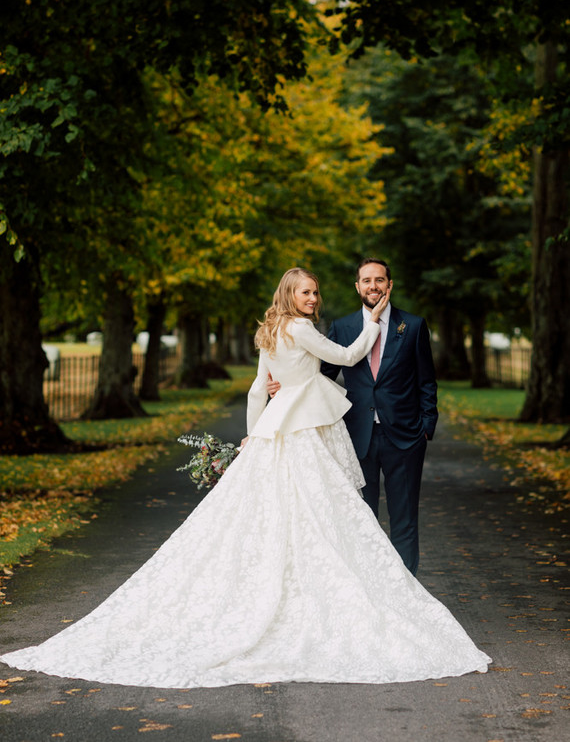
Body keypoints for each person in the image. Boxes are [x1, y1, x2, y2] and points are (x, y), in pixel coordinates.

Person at [0, 268, 490, 688]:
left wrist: (254, 437)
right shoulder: (297, 329)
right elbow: (345, 358)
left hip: (281, 429)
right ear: (288, 296)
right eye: (306, 292)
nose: (313, 298)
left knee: (293, 518)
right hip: (299, 433)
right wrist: (375, 321)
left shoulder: (271, 331)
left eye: (316, 292)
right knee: (321, 515)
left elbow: (261, 389)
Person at [268, 258, 436, 576]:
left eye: (380, 280)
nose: (373, 286)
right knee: (360, 518)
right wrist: (281, 386)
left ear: (389, 284)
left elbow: (426, 380)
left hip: (405, 437)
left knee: (404, 519)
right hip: (356, 437)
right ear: (357, 286)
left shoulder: (412, 326)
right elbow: (320, 375)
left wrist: (427, 426)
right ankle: (371, 585)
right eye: (367, 280)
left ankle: (407, 589)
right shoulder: (342, 328)